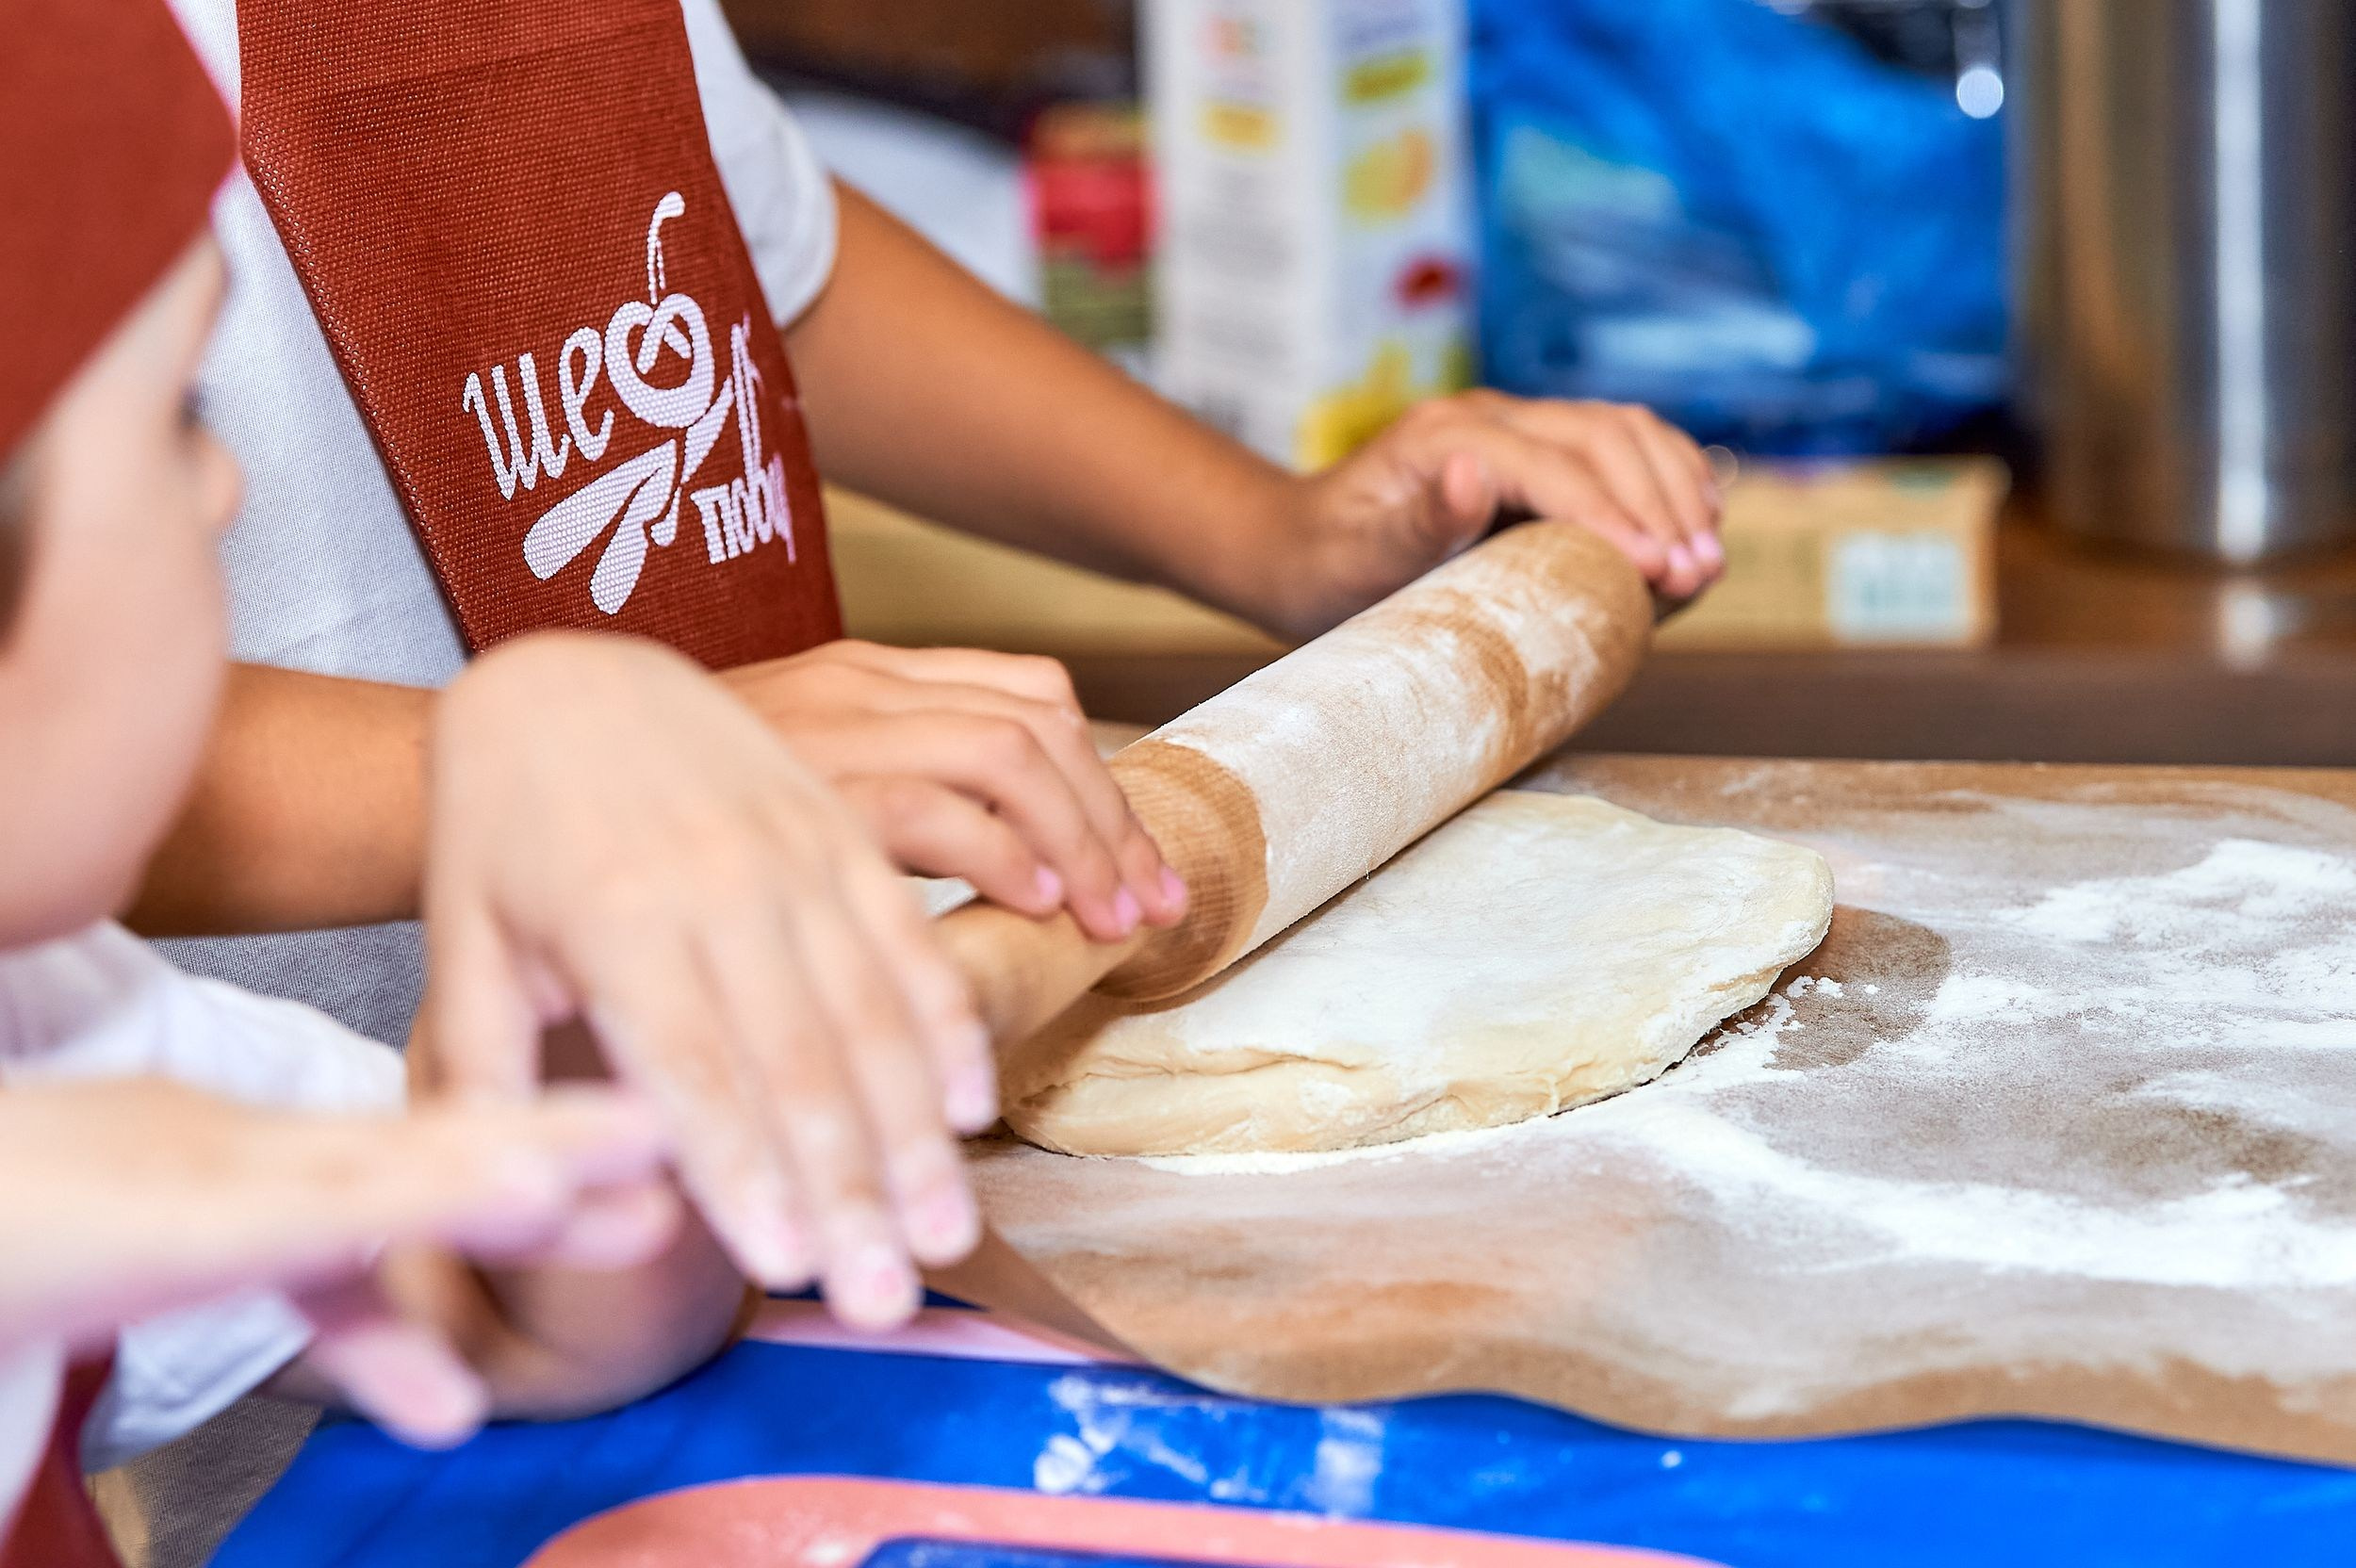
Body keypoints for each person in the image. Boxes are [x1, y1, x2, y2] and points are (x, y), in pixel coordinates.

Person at [138, 0, 1727, 1320]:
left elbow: (739, 250)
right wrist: (564, 770)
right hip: (301, 1254)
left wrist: (1267, 534)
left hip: (773, 1172)